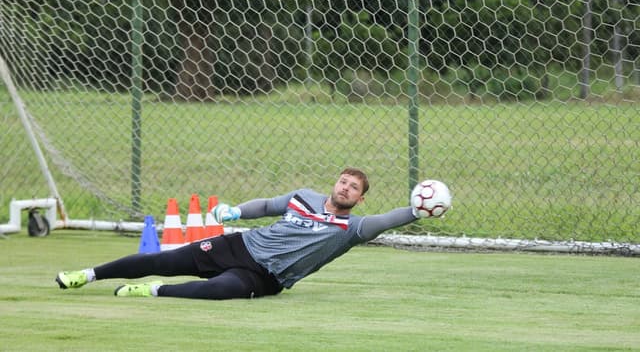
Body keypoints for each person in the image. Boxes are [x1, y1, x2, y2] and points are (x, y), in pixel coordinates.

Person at [56, 167, 429, 300]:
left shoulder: (352, 228)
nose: (345, 188)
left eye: (354, 188)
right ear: (335, 183)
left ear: (360, 199)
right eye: (343, 181)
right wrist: (235, 210)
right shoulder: (303, 197)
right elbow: (266, 205)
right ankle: (87, 275)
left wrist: (416, 210)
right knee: (164, 259)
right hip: (239, 245)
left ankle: (152, 290)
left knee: (219, 291)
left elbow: (386, 220)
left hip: (265, 276)